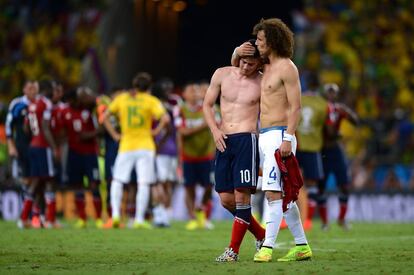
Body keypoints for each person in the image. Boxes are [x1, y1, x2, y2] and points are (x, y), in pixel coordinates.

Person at [232, 18, 312, 262]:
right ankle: (302, 246)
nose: (257, 44)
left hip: (279, 135)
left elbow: (296, 107)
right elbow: (238, 68)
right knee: (284, 196)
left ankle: (267, 247)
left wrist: (288, 138)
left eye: (261, 40)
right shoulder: (263, 66)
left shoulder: (287, 68)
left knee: (272, 193)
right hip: (265, 136)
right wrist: (236, 52)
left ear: (274, 41)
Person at [203, 39, 266, 262]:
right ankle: (261, 234)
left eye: (251, 63)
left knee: (241, 198)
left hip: (246, 140)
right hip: (222, 140)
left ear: (260, 63)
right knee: (226, 200)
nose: (245, 67)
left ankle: (233, 251)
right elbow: (207, 105)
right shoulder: (221, 74)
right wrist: (214, 130)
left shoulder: (263, 82)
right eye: (243, 61)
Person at [104, 72, 170, 229]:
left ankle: (115, 216)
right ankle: (139, 219)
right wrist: (156, 131)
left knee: (118, 180)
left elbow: (105, 116)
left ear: (134, 85)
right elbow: (166, 119)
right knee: (143, 183)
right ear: (149, 87)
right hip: (145, 146)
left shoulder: (123, 99)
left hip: (126, 145)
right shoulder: (151, 100)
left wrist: (114, 134)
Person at [318, 83, 358, 230]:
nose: (331, 95)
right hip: (322, 151)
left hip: (336, 151)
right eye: (329, 92)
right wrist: (336, 134)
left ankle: (341, 219)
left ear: (337, 94)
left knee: (344, 185)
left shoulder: (339, 110)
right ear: (324, 94)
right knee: (320, 187)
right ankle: (324, 222)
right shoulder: (320, 109)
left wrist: (346, 111)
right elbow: (329, 133)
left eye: (333, 92)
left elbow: (355, 121)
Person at [175, 83, 215, 230]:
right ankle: (193, 218)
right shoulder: (180, 109)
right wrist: (204, 125)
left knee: (209, 186)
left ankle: (201, 210)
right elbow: (182, 132)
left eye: (197, 91)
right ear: (184, 94)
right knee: (189, 188)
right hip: (188, 155)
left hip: (207, 154)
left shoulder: (209, 108)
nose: (195, 93)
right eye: (191, 90)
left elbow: (217, 125)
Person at [296, 73, 328, 230]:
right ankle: (308, 219)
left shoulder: (299, 99)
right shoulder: (323, 104)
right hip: (313, 147)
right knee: (312, 183)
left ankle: (294, 217)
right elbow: (324, 127)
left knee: (293, 181)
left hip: (297, 145)